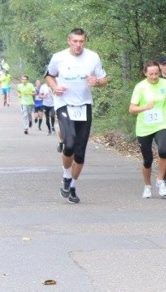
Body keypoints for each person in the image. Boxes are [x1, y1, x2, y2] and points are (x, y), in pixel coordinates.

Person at [45, 28, 108, 204]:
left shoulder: (93, 57)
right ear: (69, 41)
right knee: (70, 142)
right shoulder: (59, 57)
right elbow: (49, 76)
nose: (78, 45)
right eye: (75, 41)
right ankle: (66, 175)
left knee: (80, 154)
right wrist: (54, 87)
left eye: (81, 41)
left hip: (84, 105)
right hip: (64, 103)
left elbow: (104, 79)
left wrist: (96, 82)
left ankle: (72, 186)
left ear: (85, 41)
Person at [129, 60, 166, 198]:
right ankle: (147, 186)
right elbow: (131, 109)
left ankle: (160, 181)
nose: (154, 77)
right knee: (147, 159)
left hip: (162, 123)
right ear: (145, 73)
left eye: (156, 73)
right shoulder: (140, 87)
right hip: (144, 127)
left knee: (163, 150)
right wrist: (144, 107)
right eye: (151, 74)